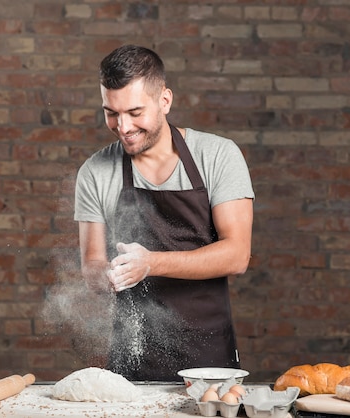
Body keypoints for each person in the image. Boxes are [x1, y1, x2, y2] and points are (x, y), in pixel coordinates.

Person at [74, 44, 254, 381]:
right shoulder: (96, 172)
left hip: (209, 356)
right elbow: (92, 266)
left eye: (135, 112)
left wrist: (151, 264)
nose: (123, 126)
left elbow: (237, 255)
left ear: (165, 101)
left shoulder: (217, 156)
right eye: (111, 113)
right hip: (133, 357)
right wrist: (111, 275)